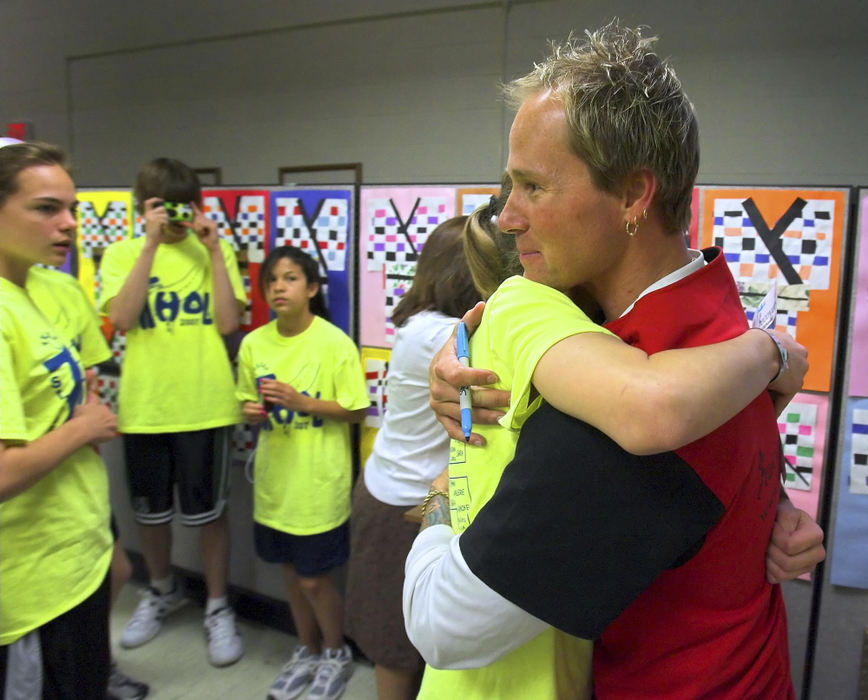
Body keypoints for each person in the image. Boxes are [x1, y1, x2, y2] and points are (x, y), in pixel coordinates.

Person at [404, 22, 825, 699]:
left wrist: (442, 493)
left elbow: (445, 625)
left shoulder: (631, 406)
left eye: (532, 188)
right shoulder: (717, 324)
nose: (507, 217)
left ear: (633, 197)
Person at [99, 158, 247, 667]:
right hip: (145, 407)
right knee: (151, 515)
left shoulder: (216, 250)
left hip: (206, 405)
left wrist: (210, 251)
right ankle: (161, 590)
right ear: (145, 209)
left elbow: (230, 321)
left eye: (185, 205)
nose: (177, 215)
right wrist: (148, 246)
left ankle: (217, 604)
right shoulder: (121, 253)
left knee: (210, 516)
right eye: (165, 206)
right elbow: (119, 319)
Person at [344, 216, 482, 700]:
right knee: (397, 647)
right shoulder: (440, 334)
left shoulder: (420, 324)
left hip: (405, 497)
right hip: (402, 508)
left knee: (419, 639)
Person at [0, 141, 117, 698]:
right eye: (46, 208)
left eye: (71, 208)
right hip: (30, 580)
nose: (69, 224)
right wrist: (82, 428)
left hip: (77, 544)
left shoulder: (42, 287)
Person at [236, 245, 369, 700]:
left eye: (290, 278)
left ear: (311, 288)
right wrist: (251, 413)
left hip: (318, 485)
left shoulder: (334, 343)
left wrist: (304, 402)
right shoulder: (254, 344)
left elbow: (356, 410)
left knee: (315, 579)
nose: (278, 287)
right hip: (275, 485)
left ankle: (336, 653)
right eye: (271, 280)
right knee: (291, 575)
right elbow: (246, 405)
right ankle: (307, 649)